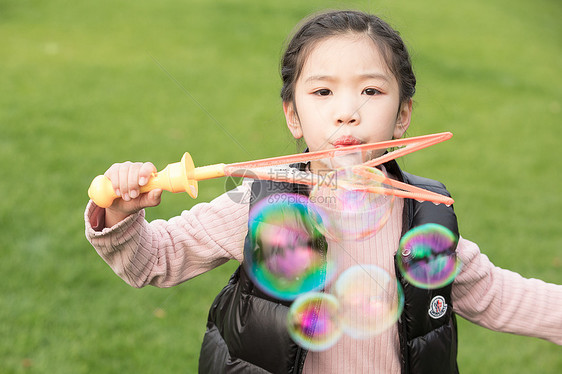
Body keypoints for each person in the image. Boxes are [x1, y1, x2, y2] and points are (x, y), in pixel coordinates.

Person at [85, 10, 562, 374]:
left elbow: (502, 296)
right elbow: (153, 261)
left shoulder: (425, 219)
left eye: (372, 92)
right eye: (323, 92)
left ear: (404, 115)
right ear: (293, 115)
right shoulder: (259, 203)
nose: (347, 112)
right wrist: (121, 217)